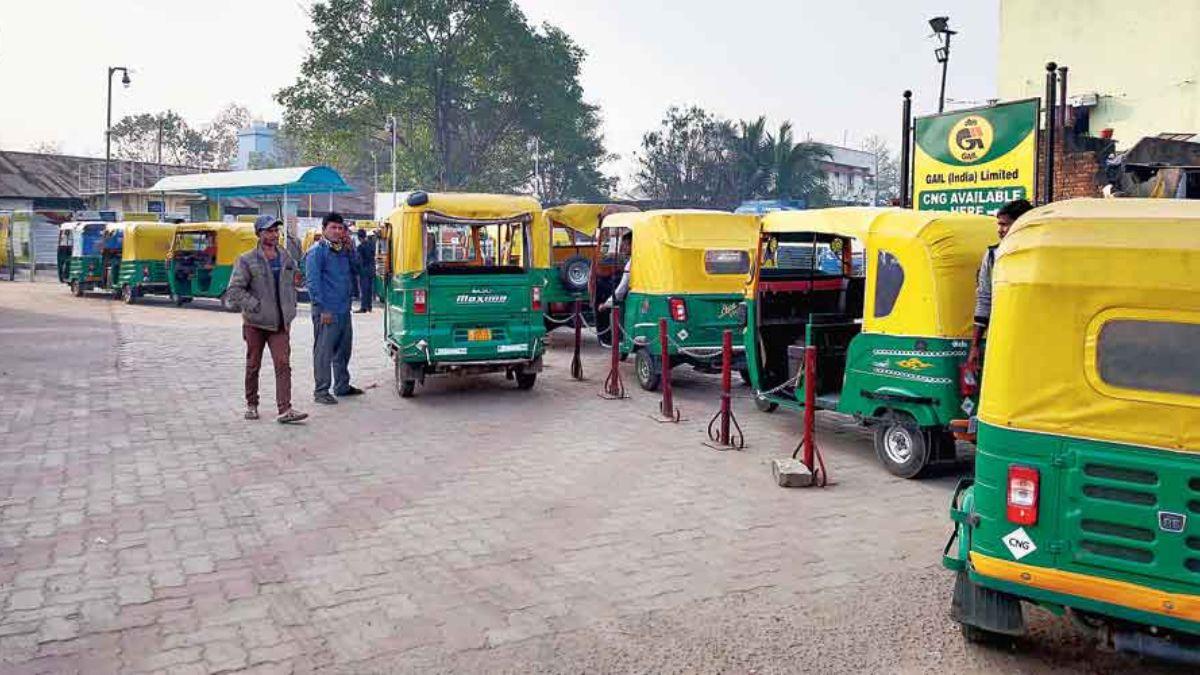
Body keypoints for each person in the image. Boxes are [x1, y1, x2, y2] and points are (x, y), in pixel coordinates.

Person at [226, 216, 308, 424]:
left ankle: (285, 409)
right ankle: (252, 404)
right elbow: (234, 290)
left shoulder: (286, 257)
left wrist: (291, 307)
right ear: (259, 234)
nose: (273, 234)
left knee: (283, 364)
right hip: (255, 323)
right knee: (253, 365)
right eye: (268, 231)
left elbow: (294, 282)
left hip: (280, 324)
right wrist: (256, 306)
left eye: (275, 230)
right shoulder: (246, 260)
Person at [966, 198, 1033, 375]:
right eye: (999, 224)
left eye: (1005, 225)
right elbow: (984, 299)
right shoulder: (993, 255)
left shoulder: (1039, 252)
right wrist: (975, 346)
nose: (1000, 230)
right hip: (1002, 334)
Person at [305, 212, 364, 405]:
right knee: (323, 351)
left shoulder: (344, 251)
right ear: (324, 229)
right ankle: (321, 391)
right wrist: (322, 309)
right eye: (333, 228)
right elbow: (313, 283)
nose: (338, 231)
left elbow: (358, 269)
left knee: (343, 350)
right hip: (327, 311)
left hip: (343, 309)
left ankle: (342, 386)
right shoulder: (317, 251)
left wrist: (352, 248)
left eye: (341, 228)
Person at [355, 229, 375, 313]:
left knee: (364, 289)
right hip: (371, 269)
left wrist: (357, 269)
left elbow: (359, 260)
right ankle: (369, 306)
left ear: (359, 237)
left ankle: (363, 307)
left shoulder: (360, 247)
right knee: (369, 289)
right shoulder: (372, 245)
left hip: (364, 270)